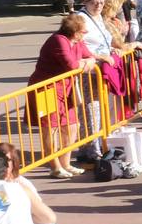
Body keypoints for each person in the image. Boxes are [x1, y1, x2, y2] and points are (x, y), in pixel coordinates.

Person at [26, 13, 94, 178]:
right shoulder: (58, 40)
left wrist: (89, 61)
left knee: (71, 126)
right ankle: (55, 167)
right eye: (83, 32)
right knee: (51, 128)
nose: (85, 35)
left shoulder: (77, 41)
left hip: (66, 89)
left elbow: (89, 56)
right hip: (46, 89)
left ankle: (66, 163)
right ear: (75, 32)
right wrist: (86, 63)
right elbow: (71, 65)